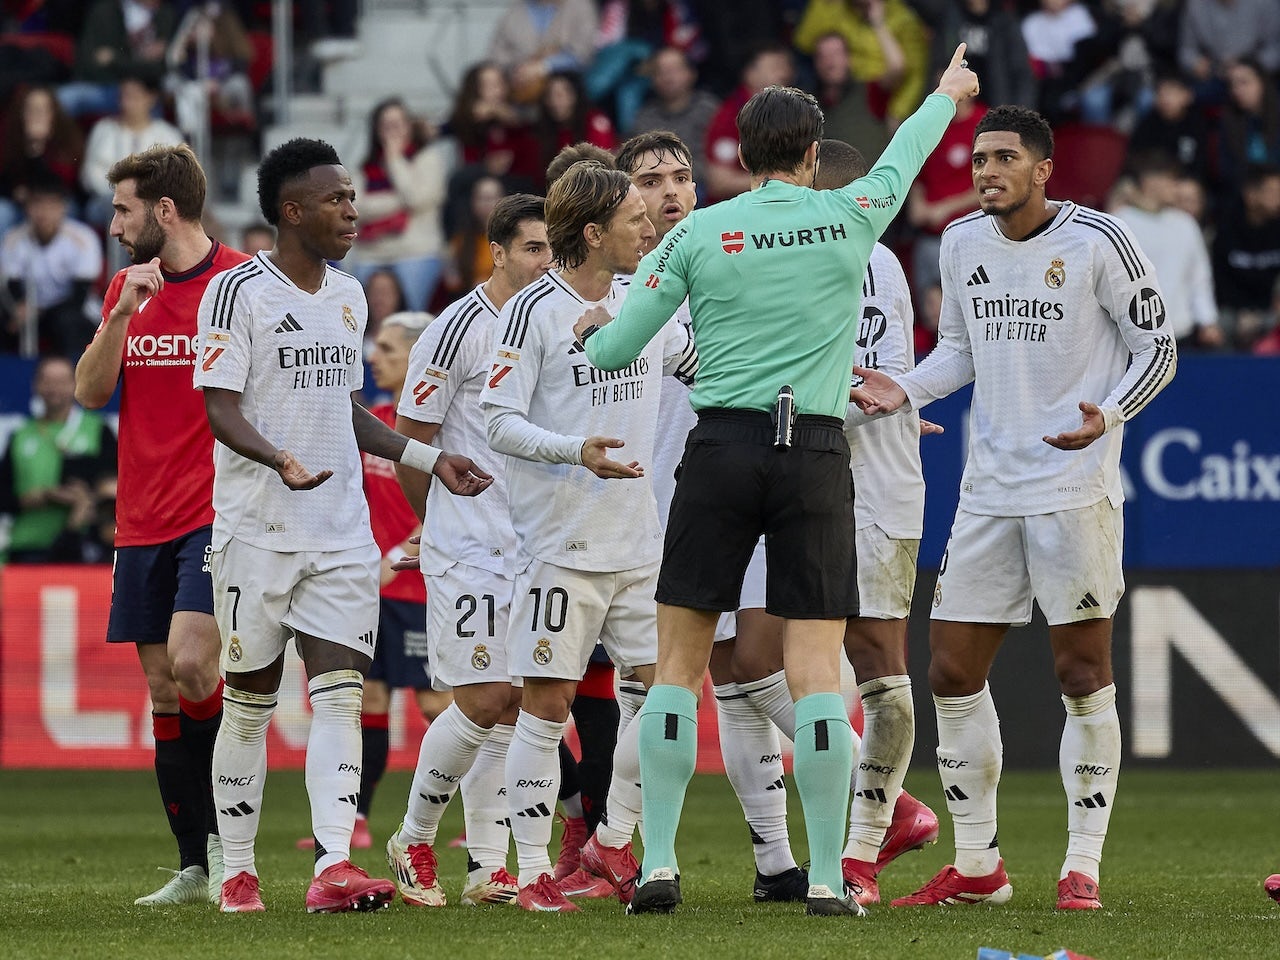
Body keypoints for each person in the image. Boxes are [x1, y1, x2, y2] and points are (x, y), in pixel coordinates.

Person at [582, 46, 980, 917]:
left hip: (720, 449)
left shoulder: (696, 233)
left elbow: (617, 348)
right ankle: (830, 876)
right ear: (811, 153)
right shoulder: (850, 216)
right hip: (816, 455)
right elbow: (904, 155)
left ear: (738, 152)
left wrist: (590, 334)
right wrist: (948, 93)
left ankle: (657, 864)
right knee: (813, 675)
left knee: (679, 667)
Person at [856, 104, 1177, 911]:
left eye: (1004, 158)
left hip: (1073, 489)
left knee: (1082, 673)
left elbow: (1159, 348)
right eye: (978, 159)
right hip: (988, 492)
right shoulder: (961, 241)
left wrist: (1110, 415)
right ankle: (978, 867)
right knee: (950, 670)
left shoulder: (1099, 241)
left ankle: (1081, 866)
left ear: (1043, 170)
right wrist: (906, 387)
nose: (987, 172)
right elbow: (958, 352)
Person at [193, 137, 492, 914]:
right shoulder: (236, 292)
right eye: (337, 199)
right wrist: (278, 459)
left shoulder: (350, 296)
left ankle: (333, 863)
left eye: (353, 197)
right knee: (249, 701)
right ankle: (237, 873)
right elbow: (220, 408)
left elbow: (346, 409)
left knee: (339, 695)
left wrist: (427, 457)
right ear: (292, 211)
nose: (354, 211)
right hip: (257, 528)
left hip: (341, 533)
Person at [479, 160, 696, 913]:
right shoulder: (530, 311)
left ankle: (613, 840)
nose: (650, 225)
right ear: (595, 232)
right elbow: (497, 422)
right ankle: (533, 871)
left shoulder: (647, 301)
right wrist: (577, 451)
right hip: (560, 548)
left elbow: (706, 371)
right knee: (546, 708)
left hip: (639, 543)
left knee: (667, 699)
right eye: (636, 217)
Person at [74, 143, 249, 906]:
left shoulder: (239, 282)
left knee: (191, 664)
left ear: (164, 210)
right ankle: (195, 865)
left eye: (124, 210)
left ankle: (228, 836)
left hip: (214, 513)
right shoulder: (126, 289)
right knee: (164, 690)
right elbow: (90, 392)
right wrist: (120, 315)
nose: (114, 226)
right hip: (139, 519)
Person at [386, 193, 553, 910]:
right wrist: (438, 524)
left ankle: (488, 865)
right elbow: (409, 442)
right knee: (483, 698)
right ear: (498, 252)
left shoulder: (555, 320)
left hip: (534, 541)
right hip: (469, 544)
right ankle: (413, 837)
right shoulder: (456, 329)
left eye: (553, 249)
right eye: (533, 248)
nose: (545, 262)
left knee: (514, 704)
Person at [294, 310, 447, 855]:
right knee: (368, 699)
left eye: (387, 348)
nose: (374, 357)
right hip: (368, 588)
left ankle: (487, 810)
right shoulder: (373, 423)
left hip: (417, 588)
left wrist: (401, 553)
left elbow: (448, 508)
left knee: (440, 707)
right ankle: (356, 816)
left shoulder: (438, 427)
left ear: (418, 356)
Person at [0, 356, 116, 563]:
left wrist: (84, 496)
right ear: (36, 385)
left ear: (75, 383)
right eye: (47, 381)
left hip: (86, 546)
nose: (55, 388)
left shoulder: (98, 430)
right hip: (29, 547)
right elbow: (4, 495)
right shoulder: (20, 435)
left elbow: (115, 484)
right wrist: (37, 498)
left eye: (62, 381)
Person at [349, 98, 449, 312]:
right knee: (362, 316)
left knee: (411, 319)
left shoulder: (427, 158)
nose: (393, 131)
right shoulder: (365, 167)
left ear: (409, 126)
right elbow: (355, 208)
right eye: (387, 126)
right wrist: (399, 201)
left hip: (416, 252)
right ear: (377, 131)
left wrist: (394, 160)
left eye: (399, 124)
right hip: (371, 253)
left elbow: (416, 199)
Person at [1115, 151, 1221, 350]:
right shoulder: (1120, 222)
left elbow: (1199, 277)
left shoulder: (1185, 224)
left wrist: (1207, 320)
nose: (1177, 187)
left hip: (1181, 333)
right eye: (1172, 180)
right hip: (1133, 336)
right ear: (1150, 182)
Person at [0, 174, 102, 357]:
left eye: (51, 205)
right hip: (29, 310)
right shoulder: (13, 239)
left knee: (66, 321)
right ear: (27, 207)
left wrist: (40, 311)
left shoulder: (83, 238)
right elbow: (11, 285)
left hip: (75, 309)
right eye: (37, 204)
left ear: (63, 207)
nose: (43, 212)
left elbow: (80, 293)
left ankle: (73, 370)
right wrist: (18, 307)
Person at [80, 74, 185, 228]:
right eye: (123, 96)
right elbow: (90, 175)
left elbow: (177, 177)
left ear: (150, 98)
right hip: (110, 200)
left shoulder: (168, 134)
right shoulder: (103, 129)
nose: (126, 103)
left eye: (133, 97)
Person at [630, 47, 721, 167]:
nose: (667, 77)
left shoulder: (710, 110)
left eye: (674, 70)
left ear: (692, 73)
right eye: (660, 71)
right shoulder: (644, 117)